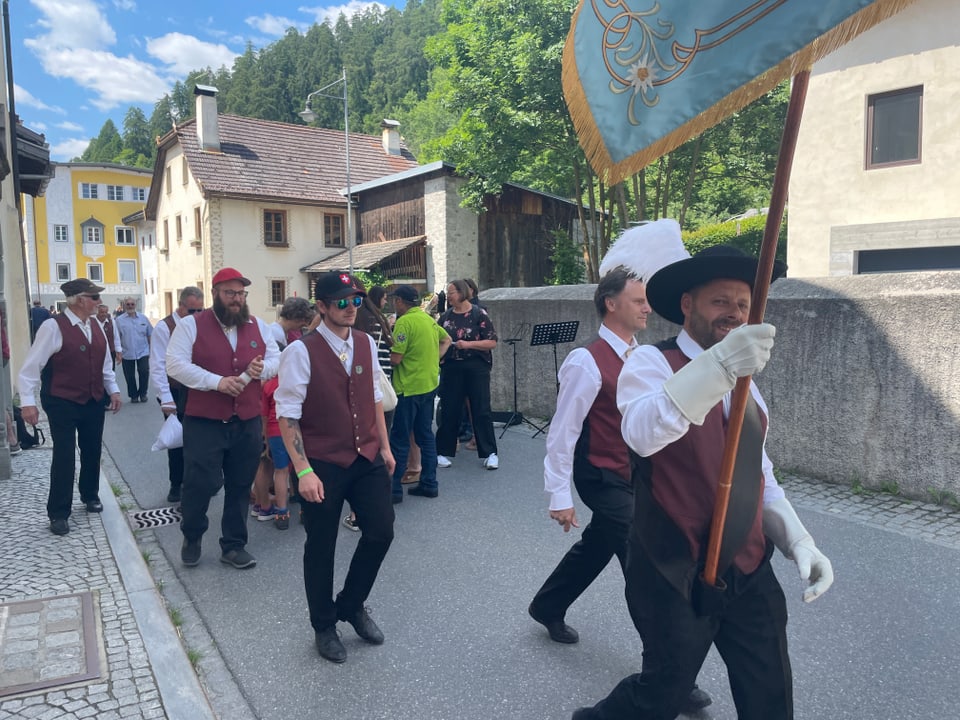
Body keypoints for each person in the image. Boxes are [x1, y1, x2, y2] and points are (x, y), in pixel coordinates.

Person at [573, 231, 834, 719]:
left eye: (743, 302)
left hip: (751, 568)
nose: (735, 313)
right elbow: (643, 432)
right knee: (663, 693)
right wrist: (717, 367)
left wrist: (800, 540)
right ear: (688, 304)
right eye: (721, 301)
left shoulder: (749, 387)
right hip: (673, 566)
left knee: (770, 694)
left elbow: (761, 477)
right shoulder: (651, 362)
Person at [528, 224, 711, 714]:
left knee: (599, 545)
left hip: (637, 475)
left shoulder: (646, 357)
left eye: (647, 301)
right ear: (611, 303)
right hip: (601, 475)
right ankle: (668, 674)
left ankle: (547, 604)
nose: (647, 308)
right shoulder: (586, 363)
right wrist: (559, 495)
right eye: (638, 301)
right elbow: (563, 433)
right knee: (646, 566)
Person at [275, 271, 396, 664]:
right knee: (321, 546)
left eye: (356, 301)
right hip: (323, 462)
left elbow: (375, 397)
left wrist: (387, 449)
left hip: (366, 456)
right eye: (341, 302)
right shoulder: (300, 351)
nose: (350, 309)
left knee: (380, 531)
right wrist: (303, 470)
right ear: (323, 307)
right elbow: (287, 415)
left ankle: (352, 603)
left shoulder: (363, 342)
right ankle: (324, 624)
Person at [166, 268, 280, 569]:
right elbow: (175, 365)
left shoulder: (258, 325)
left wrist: (262, 370)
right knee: (199, 483)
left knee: (241, 484)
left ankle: (233, 545)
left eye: (241, 294)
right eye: (231, 293)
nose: (237, 300)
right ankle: (192, 534)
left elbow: (276, 359)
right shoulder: (191, 325)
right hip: (204, 420)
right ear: (215, 293)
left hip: (246, 419)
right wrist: (216, 382)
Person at [17, 279, 122, 536]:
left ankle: (90, 495)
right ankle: (58, 512)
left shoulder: (95, 324)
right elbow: (31, 367)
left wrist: (114, 389)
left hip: (93, 399)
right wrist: (27, 403)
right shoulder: (53, 327)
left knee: (92, 448)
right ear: (78, 300)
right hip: (62, 400)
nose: (99, 303)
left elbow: (105, 363)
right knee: (64, 454)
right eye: (94, 297)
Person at [388, 284, 450, 502]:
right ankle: (429, 483)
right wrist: (435, 359)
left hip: (408, 387)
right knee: (425, 436)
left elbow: (396, 359)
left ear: (399, 301)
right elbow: (447, 340)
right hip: (429, 384)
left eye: (395, 300)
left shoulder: (404, 323)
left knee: (400, 438)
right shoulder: (427, 319)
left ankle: (394, 490)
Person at [435, 279, 499, 470]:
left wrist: (469, 344)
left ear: (462, 293)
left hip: (476, 366)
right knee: (449, 409)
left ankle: (490, 453)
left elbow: (492, 342)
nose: (449, 296)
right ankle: (443, 451)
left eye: (452, 292)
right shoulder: (445, 317)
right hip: (452, 366)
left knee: (481, 408)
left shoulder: (479, 314)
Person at [149, 287, 204, 504]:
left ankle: (197, 481)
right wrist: (165, 397)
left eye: (200, 310)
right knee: (177, 439)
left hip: (197, 388)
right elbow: (157, 364)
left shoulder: (199, 324)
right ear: (180, 306)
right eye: (192, 310)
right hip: (175, 391)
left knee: (200, 437)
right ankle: (176, 484)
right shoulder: (164, 328)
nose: (197, 315)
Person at [115, 297, 152, 403]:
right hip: (127, 351)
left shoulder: (143, 318)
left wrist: (151, 350)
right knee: (129, 375)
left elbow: (150, 334)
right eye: (128, 304)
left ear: (135, 305)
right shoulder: (119, 320)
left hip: (143, 351)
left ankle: (143, 393)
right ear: (124, 306)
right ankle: (133, 395)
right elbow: (117, 337)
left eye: (132, 304)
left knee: (144, 371)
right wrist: (118, 352)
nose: (130, 306)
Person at [96, 304, 123, 370]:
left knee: (111, 371)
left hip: (110, 352)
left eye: (106, 312)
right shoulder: (92, 322)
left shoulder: (112, 322)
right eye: (102, 312)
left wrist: (118, 351)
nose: (104, 314)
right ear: (97, 312)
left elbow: (116, 337)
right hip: (96, 353)